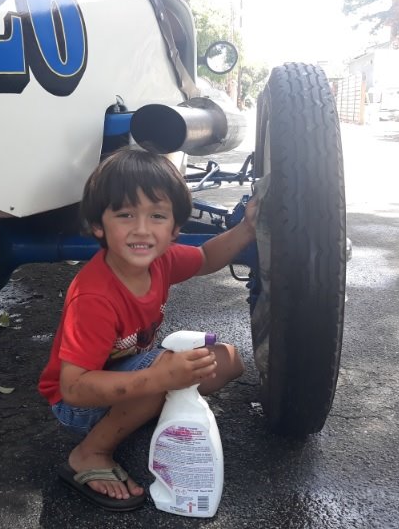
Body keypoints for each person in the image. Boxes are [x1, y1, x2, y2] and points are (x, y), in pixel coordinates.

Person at [38, 147, 257, 512]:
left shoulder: (162, 260)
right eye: (125, 214)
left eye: (157, 216)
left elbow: (206, 258)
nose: (142, 229)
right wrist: (159, 379)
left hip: (126, 377)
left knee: (228, 361)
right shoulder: (94, 297)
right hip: (77, 406)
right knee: (165, 373)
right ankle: (90, 452)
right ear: (98, 225)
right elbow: (73, 389)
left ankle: (145, 404)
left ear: (175, 229)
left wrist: (247, 228)